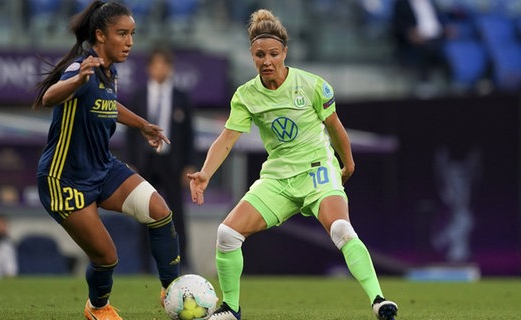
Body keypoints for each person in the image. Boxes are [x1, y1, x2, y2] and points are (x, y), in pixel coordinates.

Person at [187, 8, 398, 320]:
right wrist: (205, 172)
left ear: (285, 52)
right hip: (278, 177)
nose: (267, 61)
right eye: (260, 55)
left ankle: (379, 300)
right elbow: (226, 139)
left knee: (340, 228)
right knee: (227, 235)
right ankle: (231, 310)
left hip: (317, 170)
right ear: (251, 55)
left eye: (273, 54)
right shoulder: (246, 96)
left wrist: (348, 163)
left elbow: (335, 128)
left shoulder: (312, 85)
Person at [32, 2, 180, 319]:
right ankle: (97, 307)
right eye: (122, 34)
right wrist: (76, 81)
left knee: (160, 211)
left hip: (103, 168)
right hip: (64, 179)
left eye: (132, 34)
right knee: (107, 257)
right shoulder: (82, 67)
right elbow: (49, 97)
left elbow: (108, 104)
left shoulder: (110, 71)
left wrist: (142, 124)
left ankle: (174, 292)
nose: (129, 41)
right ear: (100, 35)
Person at [125, 45, 196, 273]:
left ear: (170, 68)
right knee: (144, 211)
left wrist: (189, 163)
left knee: (176, 213)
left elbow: (188, 135)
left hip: (172, 163)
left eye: (164, 64)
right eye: (156, 64)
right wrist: (130, 161)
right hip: (144, 162)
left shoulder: (181, 98)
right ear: (148, 68)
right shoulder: (138, 96)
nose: (160, 69)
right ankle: (144, 264)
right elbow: (129, 133)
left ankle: (182, 260)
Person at [391, 0, 454, 93]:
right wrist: (409, 33)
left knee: (451, 49)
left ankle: (453, 83)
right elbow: (397, 25)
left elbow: (440, 20)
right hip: (415, 41)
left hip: (437, 37)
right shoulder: (402, 4)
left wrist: (446, 29)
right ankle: (425, 84)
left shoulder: (432, 3)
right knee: (427, 48)